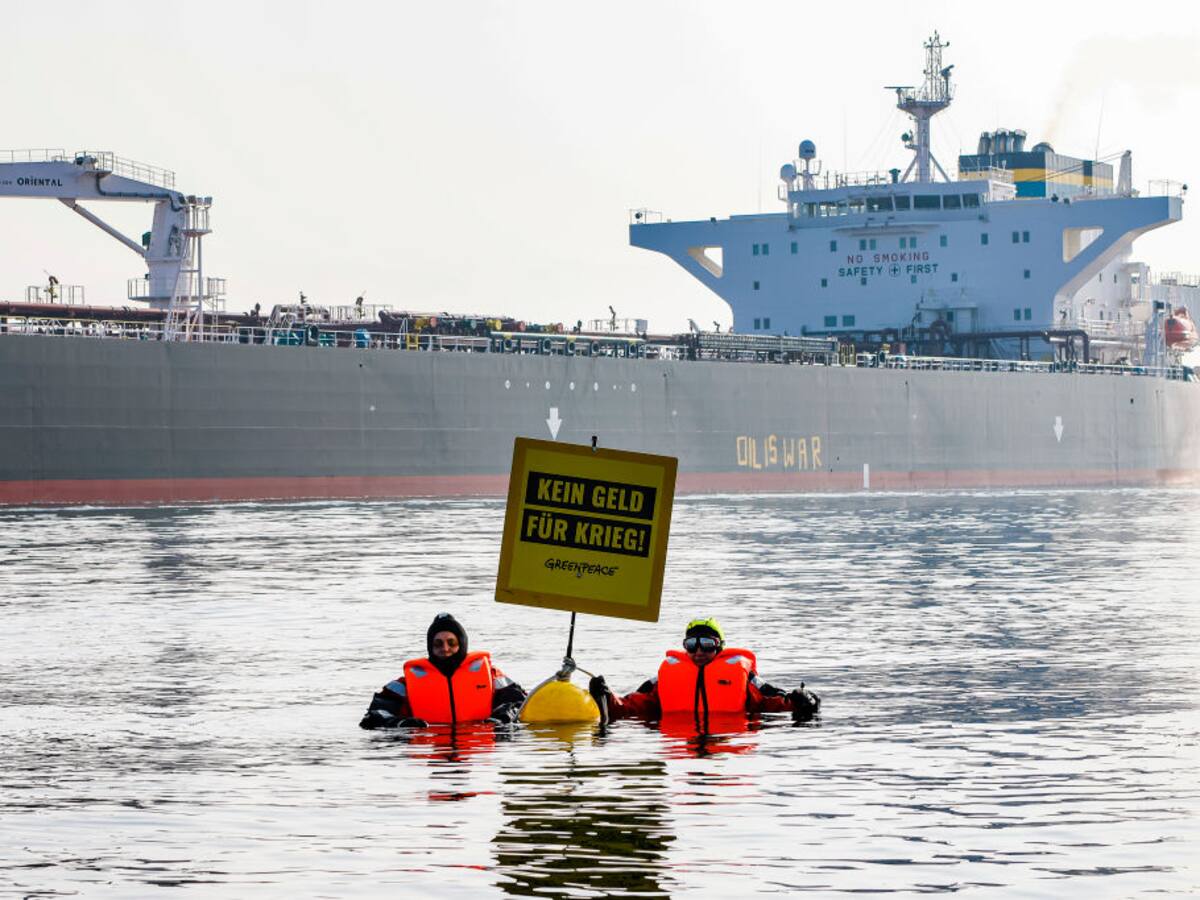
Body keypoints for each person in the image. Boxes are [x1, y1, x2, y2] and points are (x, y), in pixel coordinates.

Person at [588, 617, 819, 723]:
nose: (699, 651)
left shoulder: (743, 676)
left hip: (726, 743)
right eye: (692, 645)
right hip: (681, 746)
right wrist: (605, 695)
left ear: (720, 648)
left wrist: (801, 700)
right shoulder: (663, 678)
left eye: (707, 645)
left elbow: (771, 699)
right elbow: (631, 705)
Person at [359, 613, 526, 729]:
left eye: (451, 642)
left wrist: (503, 716)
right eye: (438, 644)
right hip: (427, 745)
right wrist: (400, 724)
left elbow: (522, 704)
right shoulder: (405, 683)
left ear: (461, 644)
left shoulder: (492, 675)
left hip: (479, 746)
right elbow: (373, 716)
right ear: (430, 647)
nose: (445, 648)